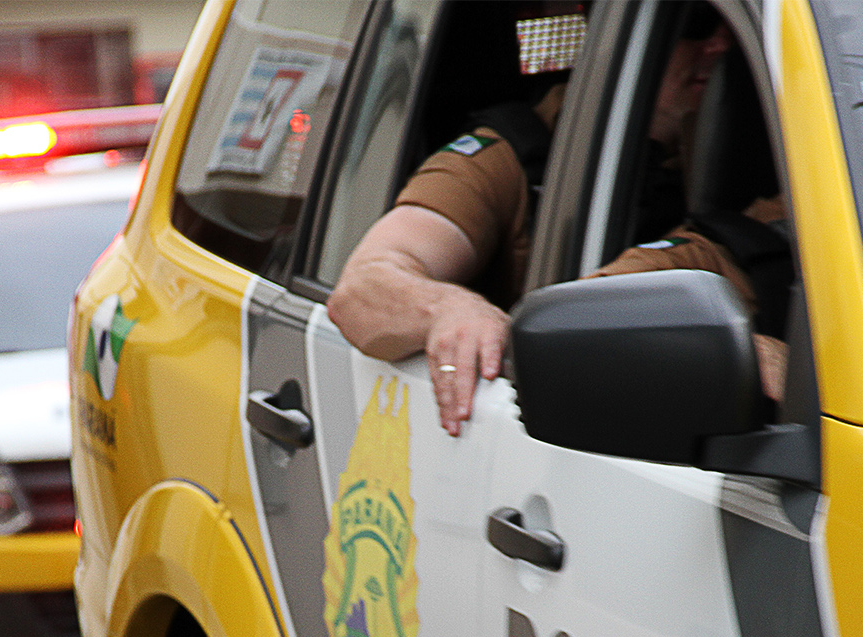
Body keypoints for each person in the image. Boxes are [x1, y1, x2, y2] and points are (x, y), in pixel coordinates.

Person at [328, 7, 773, 436]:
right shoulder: (506, 161)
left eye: (729, 28)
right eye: (693, 18)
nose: (721, 44)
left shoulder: (781, 182)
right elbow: (363, 287)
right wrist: (450, 310)